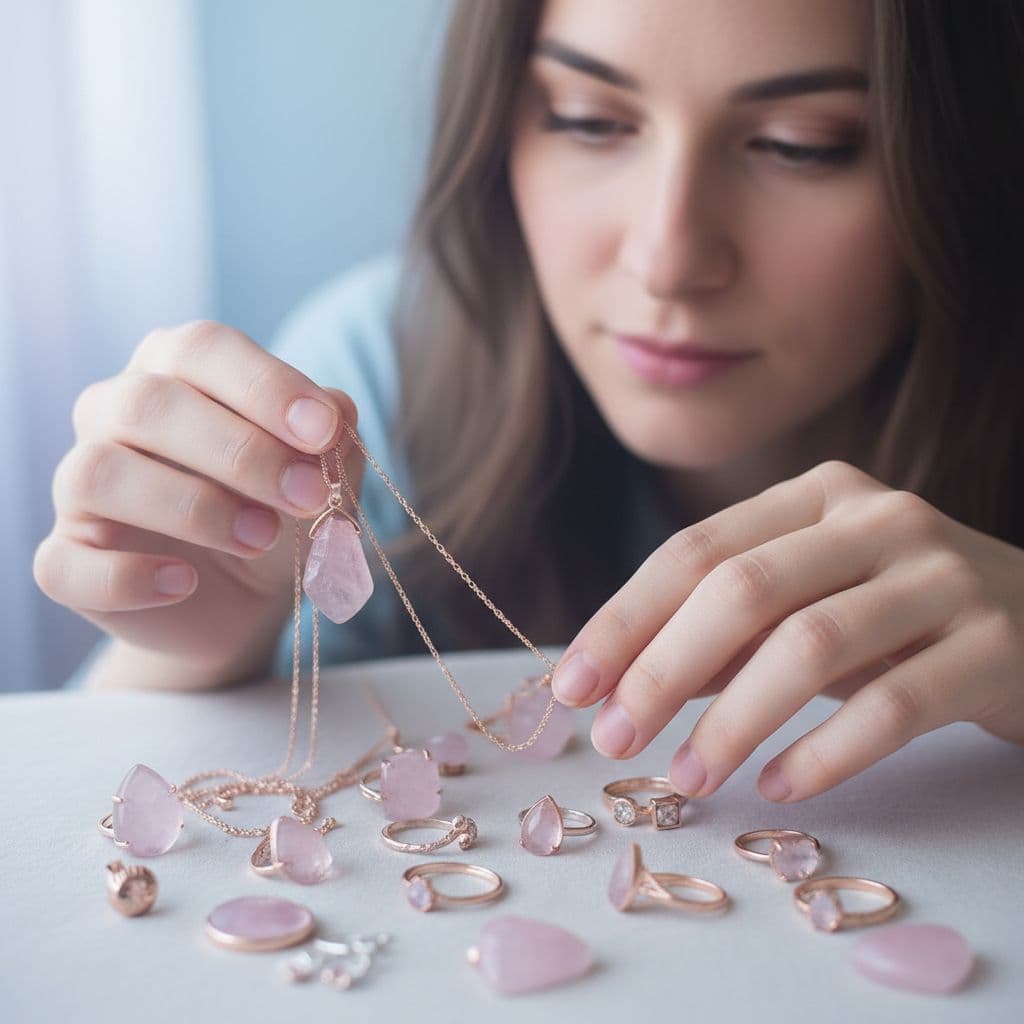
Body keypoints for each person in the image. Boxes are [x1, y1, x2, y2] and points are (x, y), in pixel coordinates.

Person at [35, 0, 1024, 805]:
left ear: (962, 155)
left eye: (800, 144)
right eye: (590, 121)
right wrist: (192, 652)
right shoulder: (383, 373)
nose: (666, 258)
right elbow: (105, 831)